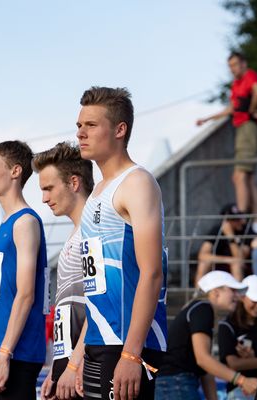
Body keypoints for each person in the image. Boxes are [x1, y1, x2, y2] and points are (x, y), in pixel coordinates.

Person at [75, 87, 168, 400]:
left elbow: (152, 272)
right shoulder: (98, 191)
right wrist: (79, 357)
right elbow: (95, 283)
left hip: (126, 343)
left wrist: (131, 354)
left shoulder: (137, 182)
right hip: (100, 340)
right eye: (79, 125)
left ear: (119, 129)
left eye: (90, 125)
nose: (80, 133)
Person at [0, 140, 49, 400]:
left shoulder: (25, 222)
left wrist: (4, 354)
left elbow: (26, 294)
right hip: (3, 350)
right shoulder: (7, 223)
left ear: (15, 171)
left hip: (18, 352)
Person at [32, 142, 94, 400]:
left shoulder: (93, 232)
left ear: (74, 182)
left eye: (49, 188)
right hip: (68, 364)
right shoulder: (74, 235)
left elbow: (100, 306)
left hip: (84, 367)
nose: (44, 198)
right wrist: (57, 370)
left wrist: (72, 365)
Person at [155, 271, 257, 400]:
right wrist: (243, 381)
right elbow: (203, 360)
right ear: (216, 292)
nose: (237, 296)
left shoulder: (199, 309)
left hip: (174, 383)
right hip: (176, 383)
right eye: (232, 290)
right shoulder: (203, 307)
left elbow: (205, 366)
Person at [196, 52, 257, 233]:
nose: (233, 69)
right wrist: (207, 118)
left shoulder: (249, 75)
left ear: (243, 63)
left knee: (239, 176)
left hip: (248, 129)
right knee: (248, 178)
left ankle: (241, 217)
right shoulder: (236, 84)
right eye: (230, 66)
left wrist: (251, 112)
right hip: (244, 129)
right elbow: (232, 108)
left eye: (235, 64)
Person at [218, 275, 257, 400]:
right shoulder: (227, 325)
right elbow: (233, 364)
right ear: (242, 297)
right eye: (255, 300)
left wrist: (255, 360)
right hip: (240, 391)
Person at [196, 204, 253, 285]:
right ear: (226, 221)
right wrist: (228, 260)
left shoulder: (247, 230)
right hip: (220, 265)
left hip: (241, 267)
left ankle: (236, 295)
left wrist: (230, 236)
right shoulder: (217, 230)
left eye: (239, 218)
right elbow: (202, 255)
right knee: (203, 263)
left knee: (236, 265)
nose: (239, 221)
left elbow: (240, 257)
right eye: (234, 220)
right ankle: (198, 294)